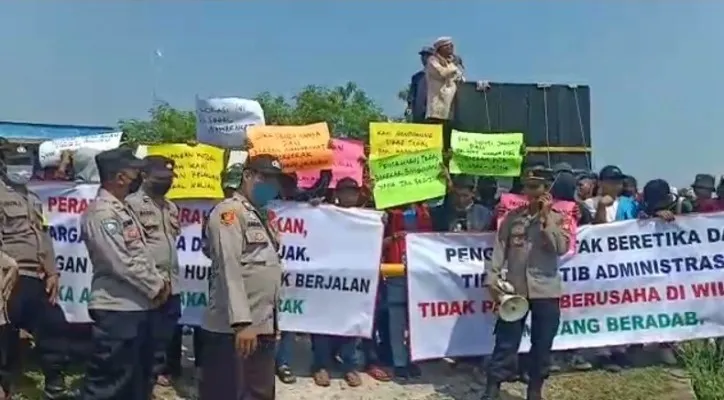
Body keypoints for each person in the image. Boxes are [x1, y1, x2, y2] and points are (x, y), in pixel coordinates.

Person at [80, 148, 171, 400]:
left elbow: (140, 255)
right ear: (120, 177)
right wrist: (157, 286)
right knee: (109, 384)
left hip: (137, 308)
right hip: (117, 310)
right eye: (134, 171)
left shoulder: (122, 209)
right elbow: (120, 261)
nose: (139, 176)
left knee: (135, 383)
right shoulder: (102, 213)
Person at [200, 154, 283, 400]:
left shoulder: (261, 215)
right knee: (227, 391)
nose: (271, 185)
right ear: (247, 176)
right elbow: (229, 267)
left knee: (258, 392)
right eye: (265, 178)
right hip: (234, 329)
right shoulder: (229, 213)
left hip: (261, 324)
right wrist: (242, 323)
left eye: (275, 180)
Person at [483, 166, 570, 400]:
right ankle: (493, 387)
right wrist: (491, 277)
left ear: (546, 190)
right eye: (527, 187)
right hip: (516, 290)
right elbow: (500, 249)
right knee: (506, 341)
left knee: (542, 343)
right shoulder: (512, 218)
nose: (529, 193)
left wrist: (545, 220)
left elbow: (561, 248)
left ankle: (534, 389)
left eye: (535, 187)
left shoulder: (560, 218)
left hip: (546, 289)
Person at [0, 144, 78, 400]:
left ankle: (55, 383)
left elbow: (43, 237)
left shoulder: (32, 197)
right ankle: (5, 384)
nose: (22, 168)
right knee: (4, 334)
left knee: (55, 324)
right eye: (16, 162)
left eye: (25, 162)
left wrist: (52, 271)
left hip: (36, 276)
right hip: (8, 275)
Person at [125, 156, 181, 389]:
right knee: (145, 336)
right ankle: (141, 380)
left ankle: (155, 374)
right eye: (160, 178)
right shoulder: (131, 205)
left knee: (164, 333)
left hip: (172, 282)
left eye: (169, 179)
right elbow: (132, 247)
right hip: (148, 283)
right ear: (144, 176)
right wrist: (152, 279)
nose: (165, 183)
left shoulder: (170, 206)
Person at [309, 178, 364, 387]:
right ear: (338, 194)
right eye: (345, 192)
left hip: (353, 280)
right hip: (326, 279)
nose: (350, 196)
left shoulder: (366, 217)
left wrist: (380, 222)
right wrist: (312, 210)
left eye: (353, 192)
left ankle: (349, 366)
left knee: (351, 322)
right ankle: (320, 365)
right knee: (323, 321)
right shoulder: (325, 212)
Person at [425, 36, 464, 150]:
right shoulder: (433, 60)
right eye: (448, 46)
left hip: (449, 107)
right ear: (440, 48)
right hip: (437, 107)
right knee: (436, 141)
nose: (451, 48)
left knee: (447, 140)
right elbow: (442, 73)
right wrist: (453, 66)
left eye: (452, 46)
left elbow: (459, 77)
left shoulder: (450, 63)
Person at [406, 46, 434, 123]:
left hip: (433, 114)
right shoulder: (417, 77)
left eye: (427, 56)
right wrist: (409, 108)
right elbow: (411, 96)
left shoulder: (439, 76)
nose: (424, 58)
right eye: (423, 56)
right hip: (418, 113)